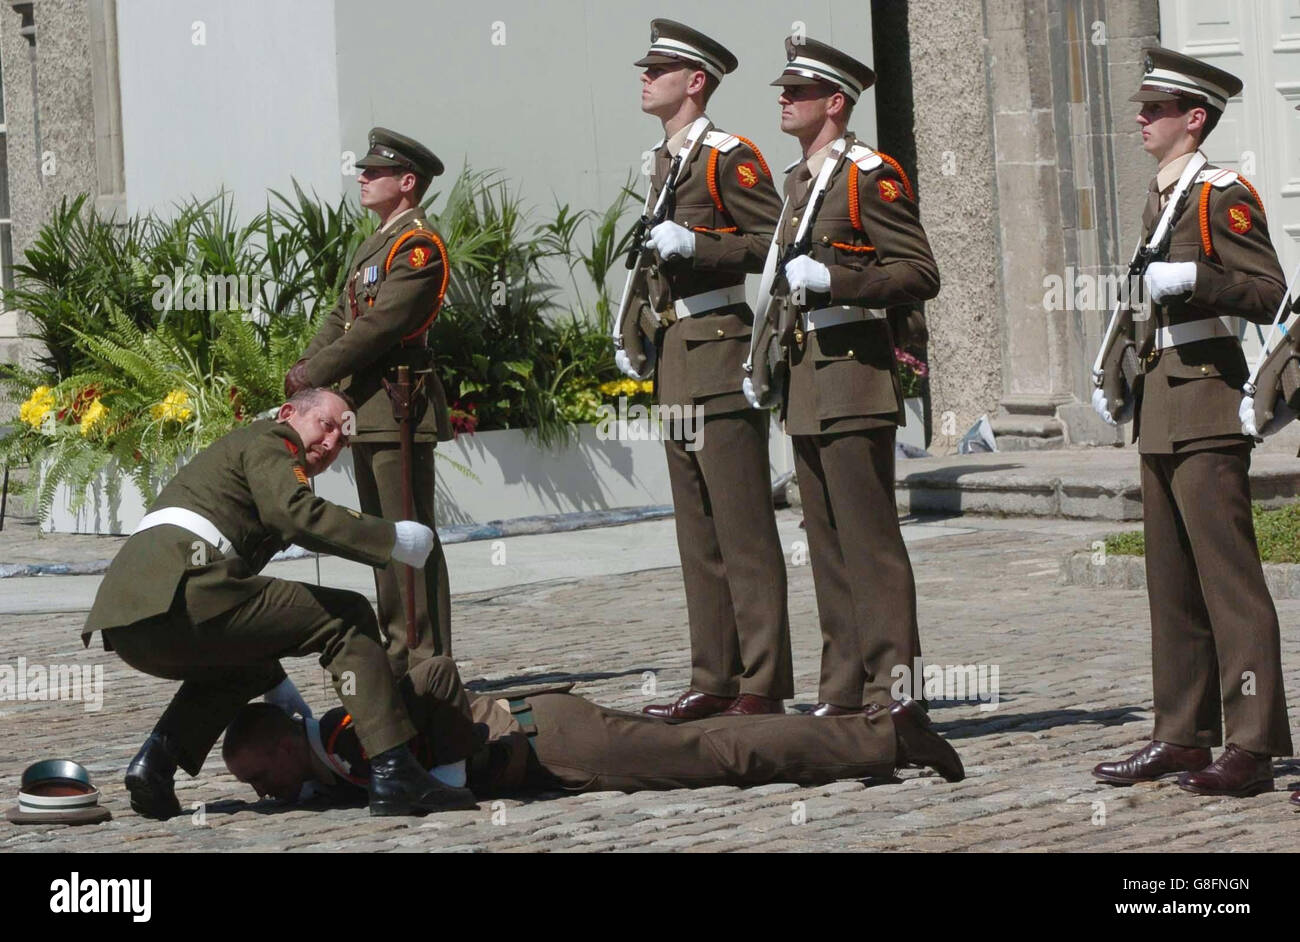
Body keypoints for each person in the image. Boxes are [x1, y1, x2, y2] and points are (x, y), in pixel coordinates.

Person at [82, 387, 476, 818]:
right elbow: (293, 514)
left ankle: (154, 765)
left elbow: (251, 610)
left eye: (342, 440)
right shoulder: (272, 439)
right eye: (326, 425)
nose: (330, 444)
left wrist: (274, 681)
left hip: (132, 622)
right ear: (288, 412)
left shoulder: (250, 453)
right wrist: (392, 538)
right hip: (184, 590)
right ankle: (393, 769)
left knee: (248, 667)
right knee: (346, 616)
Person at [1091, 48, 1293, 797]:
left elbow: (1271, 291)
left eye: (1156, 108)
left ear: (1194, 118)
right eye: (1143, 107)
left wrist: (1200, 278)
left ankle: (1252, 743)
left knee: (1228, 585)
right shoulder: (1164, 194)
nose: (1141, 118)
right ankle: (1181, 733)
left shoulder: (1219, 192)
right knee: (1170, 584)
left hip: (1208, 401)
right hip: (1161, 403)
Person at [753, 37, 939, 717]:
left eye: (797, 92)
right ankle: (844, 688)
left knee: (870, 544)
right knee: (826, 543)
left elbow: (920, 273)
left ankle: (898, 694)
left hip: (855, 376)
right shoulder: (800, 179)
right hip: (806, 377)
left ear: (834, 102)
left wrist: (835, 279)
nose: (784, 99)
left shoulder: (870, 175)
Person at [617, 19, 793, 721]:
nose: (644, 77)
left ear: (695, 82)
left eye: (658, 69)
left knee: (743, 530)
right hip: (676, 362)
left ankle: (762, 683)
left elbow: (770, 245)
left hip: (720, 354)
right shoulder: (664, 161)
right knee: (697, 533)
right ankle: (713, 676)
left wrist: (697, 241)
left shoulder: (727, 156)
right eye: (645, 68)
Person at [221, 655, 964, 804]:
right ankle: (880, 733)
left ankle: (888, 733)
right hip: (556, 747)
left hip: (555, 743)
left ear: (286, 745)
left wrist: (458, 748)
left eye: (260, 777)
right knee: (716, 754)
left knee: (726, 754)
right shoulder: (326, 763)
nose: (265, 793)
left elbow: (439, 674)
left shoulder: (351, 736)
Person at [285, 127, 453, 676]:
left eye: (375, 172)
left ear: (407, 183)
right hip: (372, 406)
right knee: (385, 536)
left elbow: (380, 327)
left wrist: (319, 370)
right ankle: (399, 648)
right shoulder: (377, 242)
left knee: (408, 532)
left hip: (399, 402)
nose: (363, 177)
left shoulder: (418, 246)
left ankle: (425, 657)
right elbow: (343, 315)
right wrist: (306, 373)